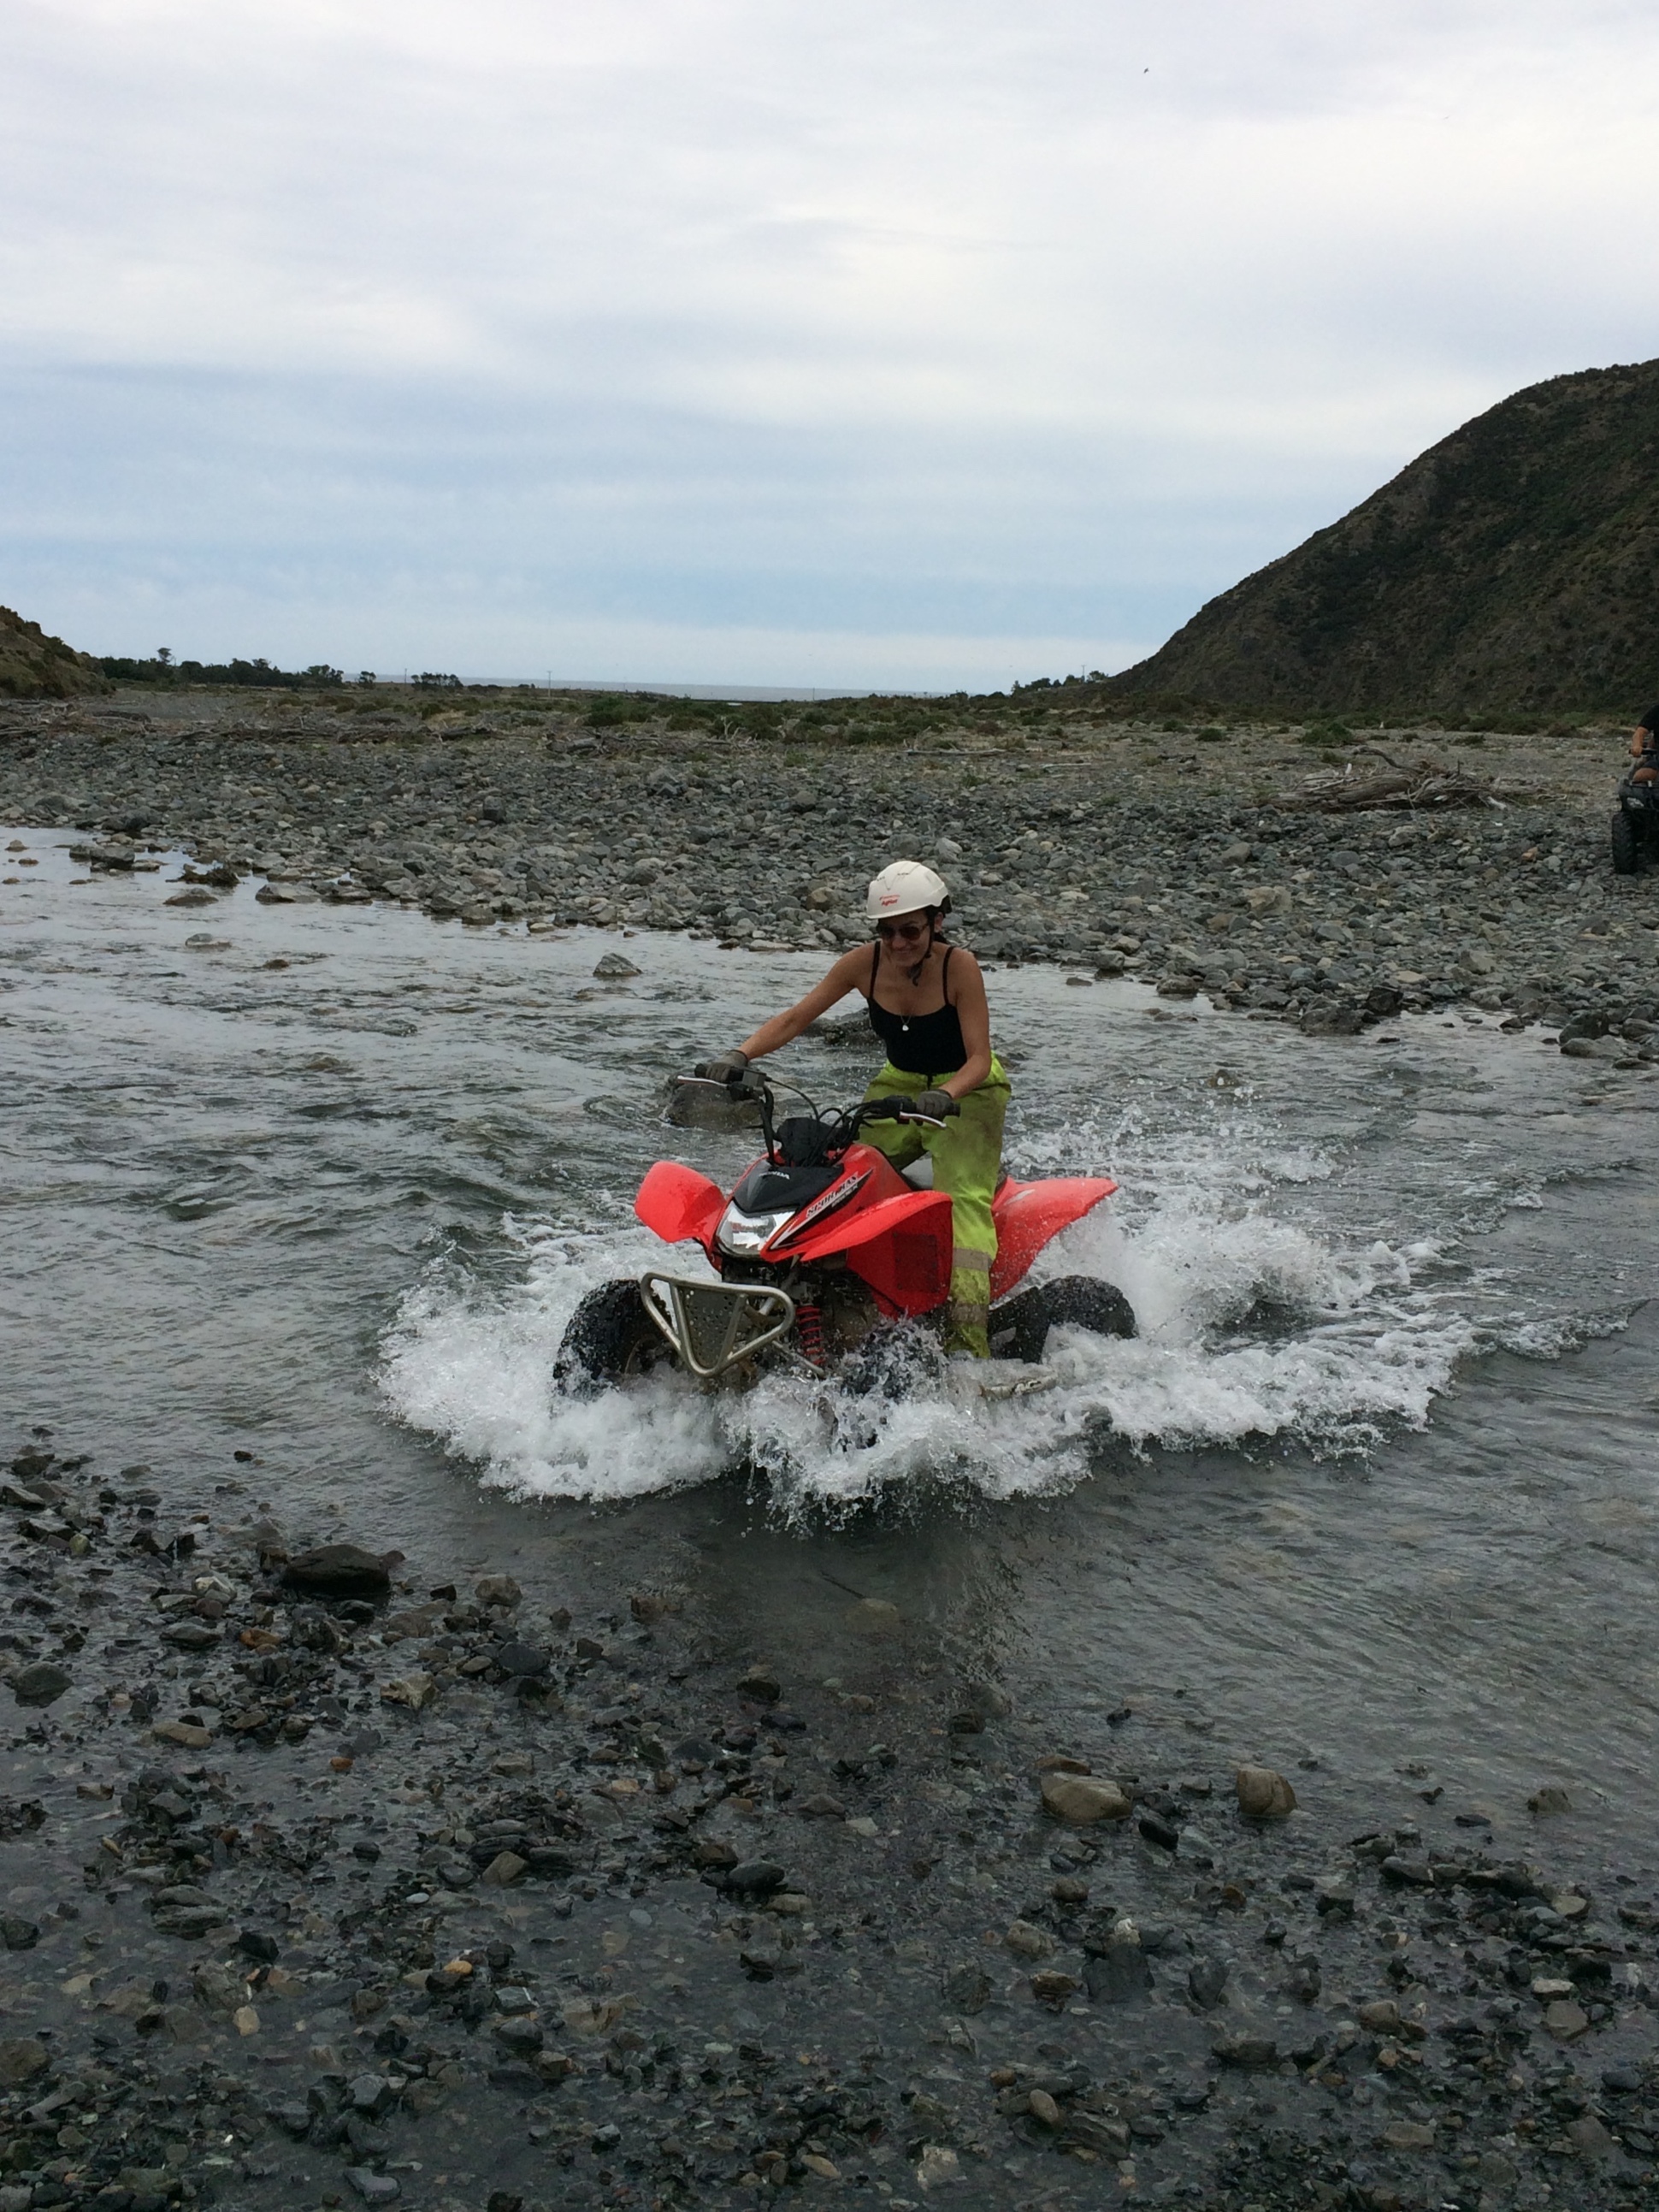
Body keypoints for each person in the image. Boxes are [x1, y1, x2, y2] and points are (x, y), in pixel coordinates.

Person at [699, 861, 1009, 1357]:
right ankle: (821, 1301)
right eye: (887, 931)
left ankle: (969, 1353)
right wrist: (740, 1055)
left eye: (911, 929)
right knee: (835, 1171)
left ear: (937, 922)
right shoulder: (861, 963)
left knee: (964, 1210)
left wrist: (948, 1095)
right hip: (899, 1086)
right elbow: (798, 1016)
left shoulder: (960, 967)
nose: (899, 942)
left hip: (966, 1093)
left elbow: (979, 1057)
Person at [1631, 706, 1659, 784]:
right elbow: (1640, 731)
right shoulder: (1656, 711)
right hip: (1657, 756)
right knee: (1641, 776)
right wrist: (1637, 745)